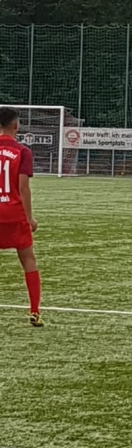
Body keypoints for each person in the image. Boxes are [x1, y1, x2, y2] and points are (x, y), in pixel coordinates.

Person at [0, 106, 43, 327]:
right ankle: (34, 311)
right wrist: (29, 218)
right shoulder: (22, 151)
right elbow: (23, 187)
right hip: (13, 212)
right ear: (16, 125)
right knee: (28, 259)